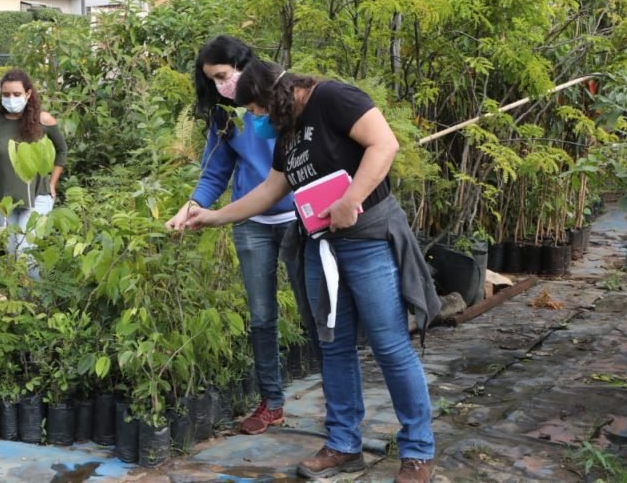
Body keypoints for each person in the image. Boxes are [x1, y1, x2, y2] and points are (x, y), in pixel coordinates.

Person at [187, 60, 439, 483]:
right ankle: (343, 444)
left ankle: (417, 452)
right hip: (321, 248)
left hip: (369, 242)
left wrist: (351, 199)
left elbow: (384, 144)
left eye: (255, 111)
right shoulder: (287, 132)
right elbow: (270, 189)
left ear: (272, 97)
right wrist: (215, 217)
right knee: (332, 347)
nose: (255, 121)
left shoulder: (334, 98)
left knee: (390, 346)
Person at [165, 36, 317, 435]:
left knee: (313, 312)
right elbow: (215, 173)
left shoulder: (281, 103)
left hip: (299, 219)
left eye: (223, 76)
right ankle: (271, 403)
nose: (221, 86)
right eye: (212, 81)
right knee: (261, 317)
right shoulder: (225, 117)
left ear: (245, 66)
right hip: (251, 223)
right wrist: (190, 207)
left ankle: (338, 405)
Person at [0, 69, 67, 266]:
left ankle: (34, 287)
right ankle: (16, 288)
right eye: (6, 94)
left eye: (16, 94)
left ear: (28, 94)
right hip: (4, 200)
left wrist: (52, 183)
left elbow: (62, 150)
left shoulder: (43, 120)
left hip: (37, 195)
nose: (11, 99)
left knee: (26, 250)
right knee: (11, 255)